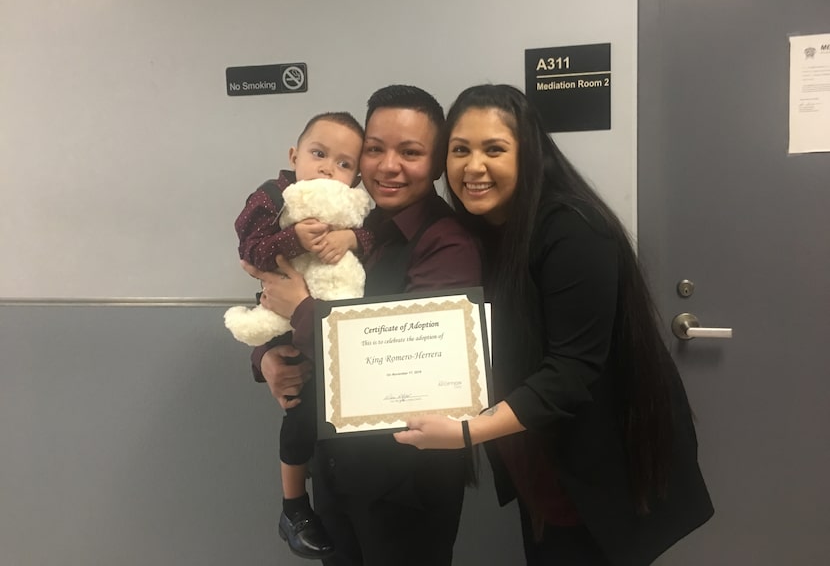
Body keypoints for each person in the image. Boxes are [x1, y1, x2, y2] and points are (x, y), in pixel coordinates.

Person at [393, 84, 714, 565]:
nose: (472, 167)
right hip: (540, 460)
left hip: (596, 466)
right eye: (459, 150)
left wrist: (465, 433)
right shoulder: (488, 232)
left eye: (494, 149)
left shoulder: (572, 228)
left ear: (529, 153)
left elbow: (571, 371)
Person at [245, 85, 483, 566]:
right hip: (335, 465)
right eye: (374, 149)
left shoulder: (448, 244)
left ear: (436, 163)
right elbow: (283, 287)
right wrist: (268, 357)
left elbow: (410, 367)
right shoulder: (344, 223)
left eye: (410, 152)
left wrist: (301, 312)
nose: (387, 165)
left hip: (405, 482)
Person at [234, 111, 371, 560]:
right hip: (285, 321)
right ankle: (293, 507)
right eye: (318, 154)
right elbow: (250, 249)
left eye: (344, 162)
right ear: (295, 156)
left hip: (343, 338)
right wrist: (293, 238)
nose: (329, 168)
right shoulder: (273, 197)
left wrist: (350, 238)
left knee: (318, 414)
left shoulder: (358, 206)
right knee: (299, 413)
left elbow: (377, 236)